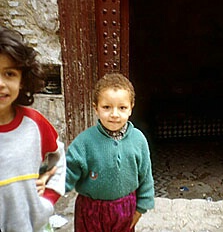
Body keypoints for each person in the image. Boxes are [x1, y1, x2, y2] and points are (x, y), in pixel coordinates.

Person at [66, 73, 155, 232]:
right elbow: (68, 171)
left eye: (122, 107)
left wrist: (141, 208)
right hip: (90, 210)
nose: (114, 114)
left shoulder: (138, 140)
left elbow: (145, 175)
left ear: (131, 108)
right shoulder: (85, 141)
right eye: (106, 107)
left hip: (125, 210)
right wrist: (50, 190)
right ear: (96, 108)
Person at [0, 26, 66, 232]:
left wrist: (48, 197)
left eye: (9, 73)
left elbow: (59, 158)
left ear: (21, 81)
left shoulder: (34, 124)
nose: (0, 84)